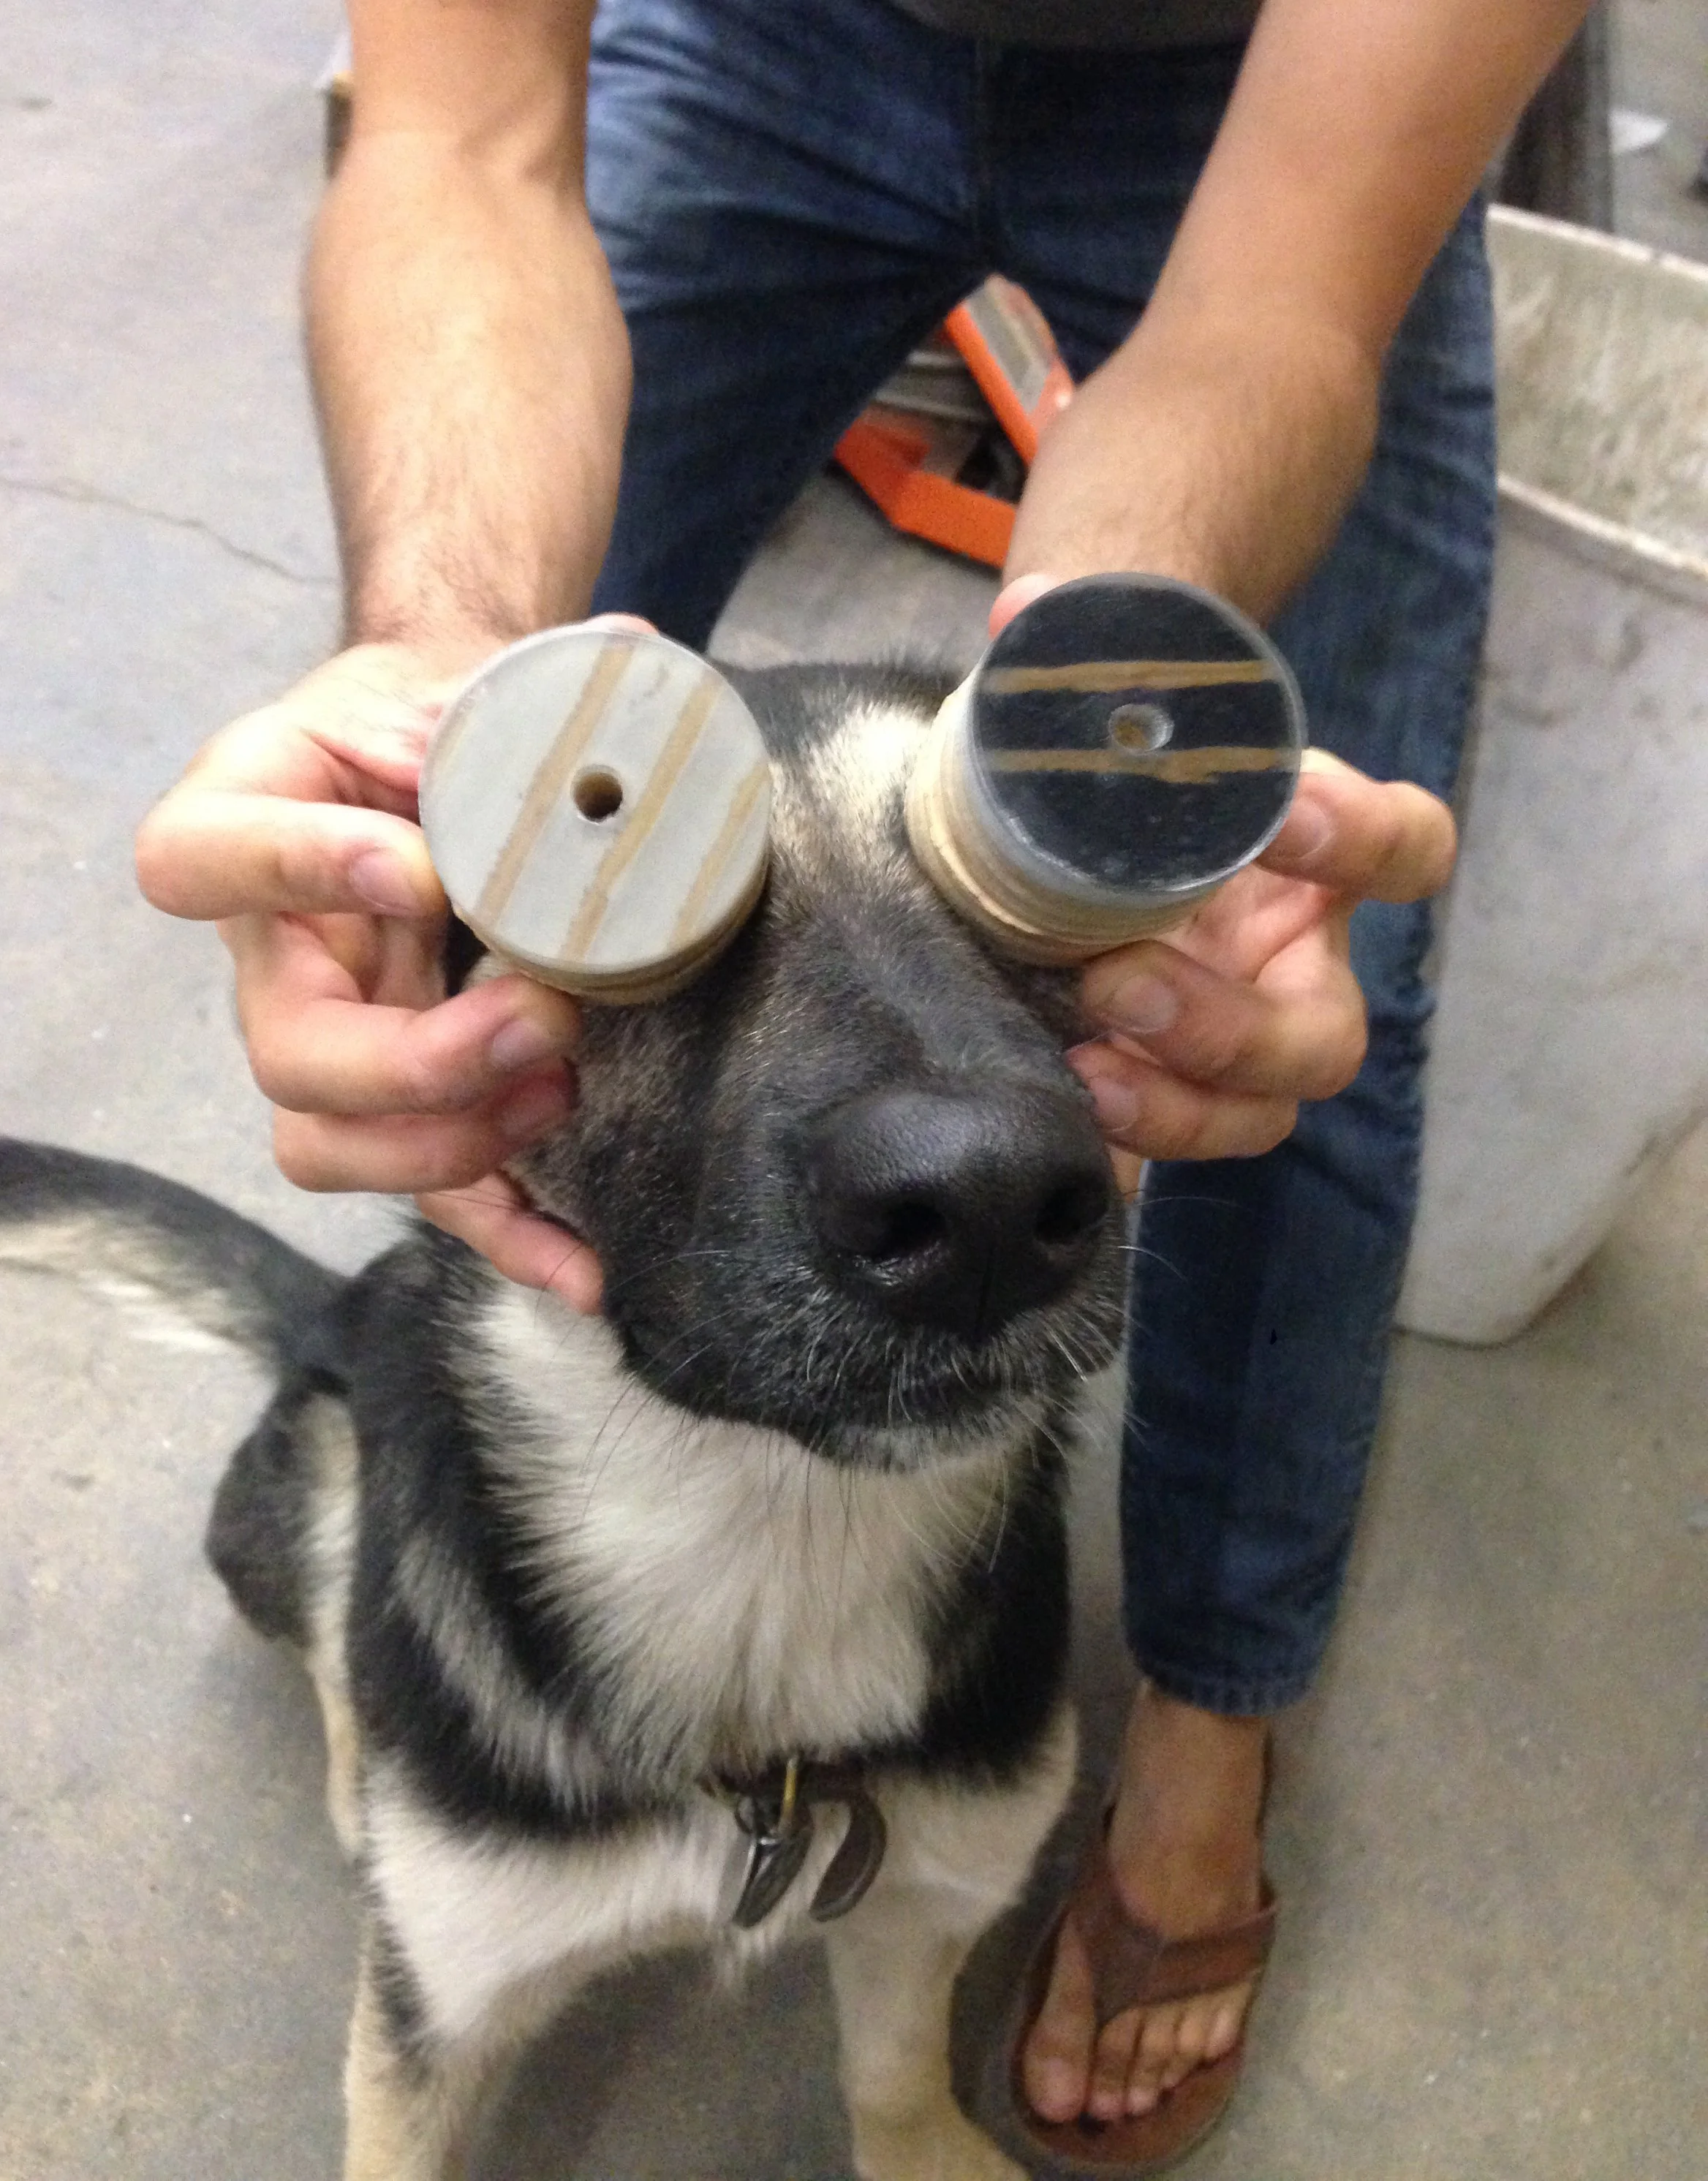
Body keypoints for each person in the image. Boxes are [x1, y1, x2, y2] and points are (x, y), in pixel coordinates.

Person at [133, 0, 1590, 2163]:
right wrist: (442, 704)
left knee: (1286, 966)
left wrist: (1094, 777)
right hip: (753, 32)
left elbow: (1276, 297)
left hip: (1264, 96)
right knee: (536, 763)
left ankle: (1203, 1737)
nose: (983, 1143)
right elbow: (459, 144)